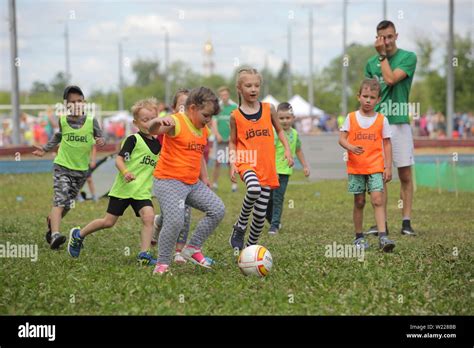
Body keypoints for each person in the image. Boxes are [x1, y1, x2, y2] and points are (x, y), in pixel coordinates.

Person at [67, 98, 161, 265]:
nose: (149, 123)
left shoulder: (159, 145)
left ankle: (144, 255)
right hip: (124, 190)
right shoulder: (133, 140)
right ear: (135, 122)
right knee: (108, 222)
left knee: (148, 217)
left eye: (152, 119)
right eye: (144, 120)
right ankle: (78, 235)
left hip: (141, 192)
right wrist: (125, 172)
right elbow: (118, 160)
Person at [148, 87, 225, 275]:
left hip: (191, 183)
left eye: (211, 117)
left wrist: (205, 178)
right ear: (192, 108)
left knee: (217, 210)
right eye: (206, 115)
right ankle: (162, 264)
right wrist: (157, 122)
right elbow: (153, 129)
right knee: (175, 221)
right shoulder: (176, 121)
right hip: (168, 181)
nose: (208, 120)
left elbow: (198, 155)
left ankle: (193, 248)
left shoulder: (203, 130)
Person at [228, 67, 294, 251]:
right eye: (248, 85)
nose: (253, 89)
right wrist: (233, 162)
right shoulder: (235, 116)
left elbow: (280, 130)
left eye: (257, 85)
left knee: (259, 215)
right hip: (246, 161)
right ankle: (240, 226)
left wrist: (288, 150)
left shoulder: (269, 109)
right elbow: (232, 142)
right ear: (239, 88)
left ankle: (250, 250)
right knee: (254, 189)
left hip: (266, 166)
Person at [32, 85, 105, 249]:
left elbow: (100, 138)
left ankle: (52, 222)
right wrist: (45, 149)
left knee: (67, 204)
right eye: (72, 102)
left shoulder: (91, 120)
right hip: (62, 166)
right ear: (66, 105)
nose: (77, 104)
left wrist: (101, 141)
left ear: (84, 102)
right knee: (60, 199)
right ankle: (55, 235)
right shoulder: (63, 120)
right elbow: (58, 136)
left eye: (80, 101)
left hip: (81, 171)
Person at [365, 20, 417, 236]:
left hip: (399, 123)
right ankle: (382, 223)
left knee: (404, 175)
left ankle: (406, 222)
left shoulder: (408, 57)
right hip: (378, 124)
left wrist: (382, 57)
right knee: (380, 176)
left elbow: (391, 79)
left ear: (396, 35)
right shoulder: (370, 63)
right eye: (381, 37)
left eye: (388, 36)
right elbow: (369, 93)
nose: (385, 41)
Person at [338, 78, 396, 252]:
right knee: (359, 201)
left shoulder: (382, 120)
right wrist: (350, 146)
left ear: (378, 100)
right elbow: (341, 138)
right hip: (356, 168)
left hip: (375, 167)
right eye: (365, 96)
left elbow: (387, 143)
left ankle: (383, 236)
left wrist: (388, 166)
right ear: (358, 97)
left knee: (378, 199)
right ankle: (359, 237)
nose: (368, 100)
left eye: (372, 97)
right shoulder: (351, 117)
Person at [152, 88, 194, 264]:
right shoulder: (170, 124)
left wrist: (203, 177)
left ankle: (178, 251)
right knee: (172, 215)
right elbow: (155, 135)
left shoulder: (194, 126)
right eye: (181, 106)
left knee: (185, 213)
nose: (184, 110)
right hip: (168, 178)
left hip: (187, 178)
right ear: (174, 107)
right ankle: (158, 223)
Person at [265, 102, 310, 235]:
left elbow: (298, 150)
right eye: (281, 118)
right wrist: (271, 170)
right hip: (272, 171)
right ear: (276, 118)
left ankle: (274, 225)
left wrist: (305, 166)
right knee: (268, 199)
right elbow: (269, 151)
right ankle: (271, 218)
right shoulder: (274, 133)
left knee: (278, 198)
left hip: (284, 172)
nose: (284, 121)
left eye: (287, 118)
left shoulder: (295, 134)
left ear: (293, 118)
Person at [211, 86, 238, 192]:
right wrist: (217, 134)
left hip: (231, 140)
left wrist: (233, 136)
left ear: (229, 95)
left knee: (231, 162)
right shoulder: (217, 107)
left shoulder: (234, 106)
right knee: (217, 162)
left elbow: (237, 123)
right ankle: (214, 184)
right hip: (220, 140)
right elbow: (214, 122)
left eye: (226, 94)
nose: (224, 97)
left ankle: (234, 185)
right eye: (222, 95)